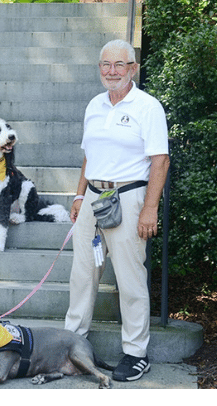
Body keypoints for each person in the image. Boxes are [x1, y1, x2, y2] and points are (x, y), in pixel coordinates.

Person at [65, 39, 170, 382]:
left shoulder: (148, 106)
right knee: (83, 274)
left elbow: (160, 160)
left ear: (133, 69)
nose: (111, 71)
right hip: (93, 200)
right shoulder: (94, 105)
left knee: (129, 279)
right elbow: (87, 155)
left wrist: (150, 208)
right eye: (105, 65)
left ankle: (136, 354)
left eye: (119, 65)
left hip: (129, 198)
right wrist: (79, 196)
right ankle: (72, 343)